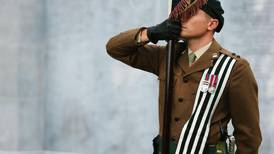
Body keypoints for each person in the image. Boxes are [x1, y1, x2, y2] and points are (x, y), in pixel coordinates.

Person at [106, 0, 262, 153]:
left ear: (211, 24)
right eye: (180, 13)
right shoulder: (166, 56)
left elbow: (248, 136)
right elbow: (114, 48)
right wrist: (151, 33)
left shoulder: (235, 68)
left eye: (190, 13)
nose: (181, 18)